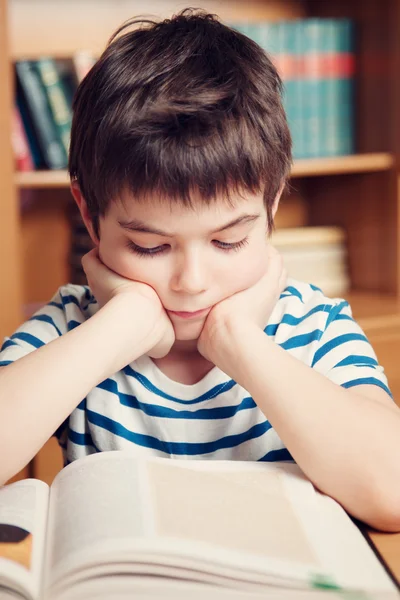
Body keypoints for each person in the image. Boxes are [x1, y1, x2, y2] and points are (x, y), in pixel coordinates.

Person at [1, 9, 400, 531]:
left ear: (272, 206)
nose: (192, 281)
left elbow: (391, 492)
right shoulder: (75, 328)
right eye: (148, 246)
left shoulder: (315, 329)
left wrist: (237, 339)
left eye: (229, 240)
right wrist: (122, 326)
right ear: (89, 215)